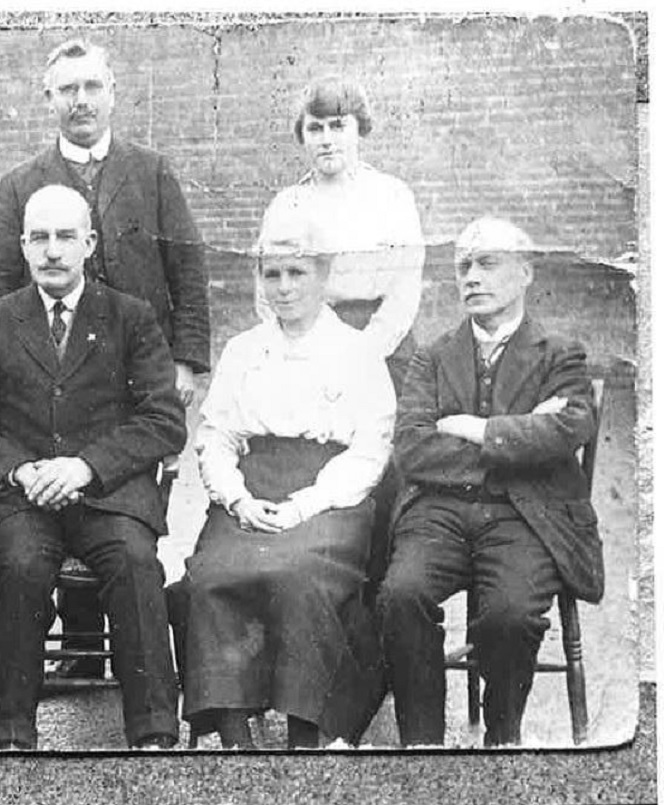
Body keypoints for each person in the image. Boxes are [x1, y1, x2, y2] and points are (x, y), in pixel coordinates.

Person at [0, 38, 210, 681]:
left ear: (112, 93)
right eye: (67, 90)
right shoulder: (21, 185)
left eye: (91, 88)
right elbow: (0, 287)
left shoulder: (152, 171)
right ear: (48, 98)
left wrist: (188, 363)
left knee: (120, 498)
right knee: (54, 492)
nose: (80, 101)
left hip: (138, 376)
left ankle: (124, 643)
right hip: (50, 368)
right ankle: (81, 648)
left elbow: (187, 269)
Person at [0, 185, 187, 750]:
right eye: (39, 238)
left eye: (64, 237)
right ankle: (8, 737)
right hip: (22, 500)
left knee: (134, 563)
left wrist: (84, 467)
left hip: (106, 495)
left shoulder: (130, 317)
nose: (52, 251)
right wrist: (22, 472)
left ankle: (154, 732)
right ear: (23, 246)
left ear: (89, 243)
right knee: (20, 564)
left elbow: (162, 421)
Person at [379, 218, 603, 747]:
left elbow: (570, 427)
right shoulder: (431, 357)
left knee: (509, 614)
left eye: (488, 263)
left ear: (524, 273)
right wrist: (519, 439)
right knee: (400, 594)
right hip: (440, 514)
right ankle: (423, 745)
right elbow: (412, 447)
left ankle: (502, 739)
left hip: (526, 515)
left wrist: (473, 428)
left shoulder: (559, 353)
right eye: (463, 266)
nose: (472, 277)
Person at [169, 234, 394, 749]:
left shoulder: (358, 351)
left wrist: (303, 507)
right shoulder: (244, 349)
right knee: (210, 578)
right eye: (273, 275)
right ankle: (233, 738)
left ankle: (306, 733)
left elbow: (368, 451)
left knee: (294, 574)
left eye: (298, 273)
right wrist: (238, 498)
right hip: (252, 489)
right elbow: (216, 438)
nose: (285, 287)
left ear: (324, 276)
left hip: (329, 497)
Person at [255, 75, 424, 389]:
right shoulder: (286, 204)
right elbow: (267, 295)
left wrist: (365, 352)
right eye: (315, 129)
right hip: (307, 338)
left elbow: (404, 291)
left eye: (338, 126)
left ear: (359, 128)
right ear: (302, 136)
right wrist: (299, 345)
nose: (326, 139)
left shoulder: (391, 195)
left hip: (382, 343)